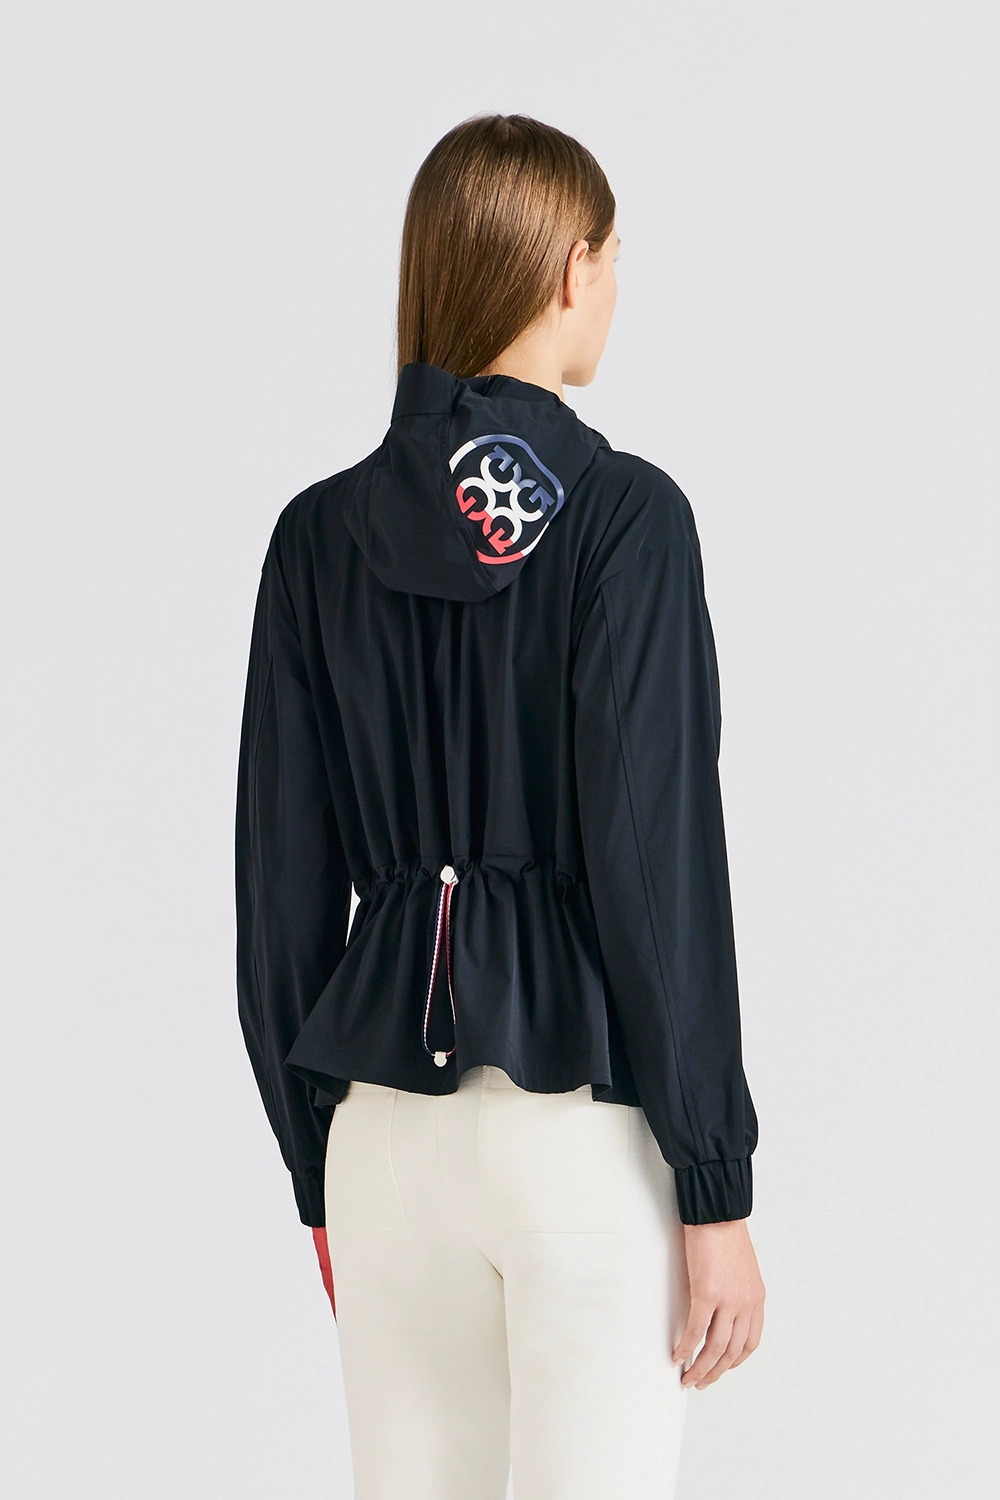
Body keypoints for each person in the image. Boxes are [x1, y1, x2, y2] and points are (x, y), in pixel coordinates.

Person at [235, 111, 765, 1499]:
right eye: (614, 255)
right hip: (577, 1137)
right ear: (569, 266)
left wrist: (317, 1166)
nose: (616, 285)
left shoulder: (315, 538)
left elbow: (280, 894)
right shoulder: (625, 519)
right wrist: (714, 1182)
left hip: (380, 1145)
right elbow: (655, 866)